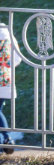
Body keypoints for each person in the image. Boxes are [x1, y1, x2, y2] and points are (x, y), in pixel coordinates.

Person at [0, 22, 22, 155]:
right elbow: (17, 57)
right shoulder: (6, 31)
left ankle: (7, 138)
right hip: (4, 77)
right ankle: (7, 139)